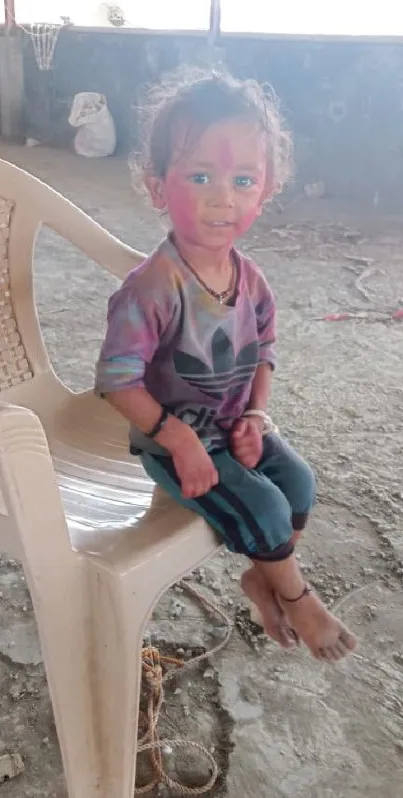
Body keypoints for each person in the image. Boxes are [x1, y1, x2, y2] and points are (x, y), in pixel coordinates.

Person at [95, 67, 357, 661]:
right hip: (175, 443)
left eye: (243, 180)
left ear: (265, 192)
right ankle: (296, 594)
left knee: (298, 485)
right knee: (263, 505)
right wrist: (179, 440)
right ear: (158, 185)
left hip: (235, 430)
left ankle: (261, 577)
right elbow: (117, 381)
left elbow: (264, 350)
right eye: (201, 176)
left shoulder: (252, 279)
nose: (224, 197)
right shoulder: (152, 289)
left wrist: (257, 418)